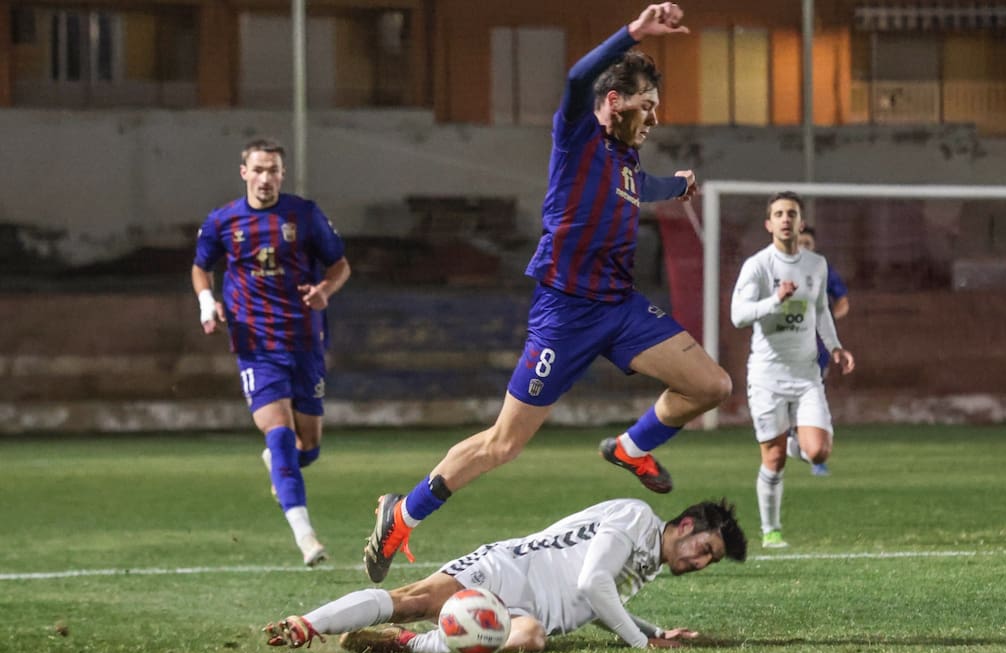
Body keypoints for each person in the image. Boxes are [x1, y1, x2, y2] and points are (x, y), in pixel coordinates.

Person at [362, 2, 731, 583]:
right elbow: (576, 78)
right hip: (565, 315)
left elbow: (640, 185)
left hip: (621, 307)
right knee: (502, 445)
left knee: (711, 385)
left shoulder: (627, 161)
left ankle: (631, 448)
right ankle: (402, 515)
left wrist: (677, 185)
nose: (654, 117)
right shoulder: (577, 137)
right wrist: (634, 31)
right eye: (646, 105)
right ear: (614, 103)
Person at [265, 498, 747, 653]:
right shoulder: (639, 520)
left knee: (531, 638)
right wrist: (643, 646)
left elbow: (596, 605)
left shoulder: (647, 560)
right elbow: (592, 586)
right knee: (410, 598)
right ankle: (305, 623)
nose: (701, 563)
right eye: (705, 549)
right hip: (506, 569)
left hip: (526, 609)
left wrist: (654, 631)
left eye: (711, 561)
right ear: (686, 526)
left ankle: (402, 643)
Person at [191, 138, 351, 565]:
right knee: (279, 435)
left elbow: (340, 265)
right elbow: (200, 267)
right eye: (258, 170)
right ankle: (306, 538)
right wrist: (209, 304)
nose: (266, 179)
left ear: (282, 174)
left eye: (273, 170)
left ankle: (280, 464)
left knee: (309, 448)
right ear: (244, 172)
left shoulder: (304, 214)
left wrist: (324, 291)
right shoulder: (223, 221)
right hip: (255, 345)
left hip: (304, 341)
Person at [730, 192, 855, 549]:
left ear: (801, 224)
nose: (786, 219)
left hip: (806, 375)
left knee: (818, 452)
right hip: (766, 377)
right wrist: (775, 301)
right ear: (769, 224)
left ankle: (789, 440)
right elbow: (738, 316)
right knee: (773, 459)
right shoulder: (758, 266)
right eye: (779, 214)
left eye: (792, 214)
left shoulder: (816, 264)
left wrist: (835, 347)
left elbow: (821, 311)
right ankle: (771, 531)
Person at [786, 225, 850, 477]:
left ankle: (814, 452)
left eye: (808, 243)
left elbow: (843, 302)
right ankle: (795, 443)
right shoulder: (776, 268)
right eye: (799, 242)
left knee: (810, 397)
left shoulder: (822, 271)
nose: (803, 247)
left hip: (815, 349)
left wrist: (826, 322)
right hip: (782, 348)